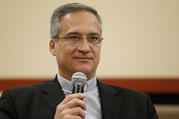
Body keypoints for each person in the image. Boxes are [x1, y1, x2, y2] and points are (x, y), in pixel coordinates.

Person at [0, 3, 158, 119]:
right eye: (74, 37)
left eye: (93, 38)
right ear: (52, 46)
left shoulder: (138, 104)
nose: (85, 47)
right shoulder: (17, 102)